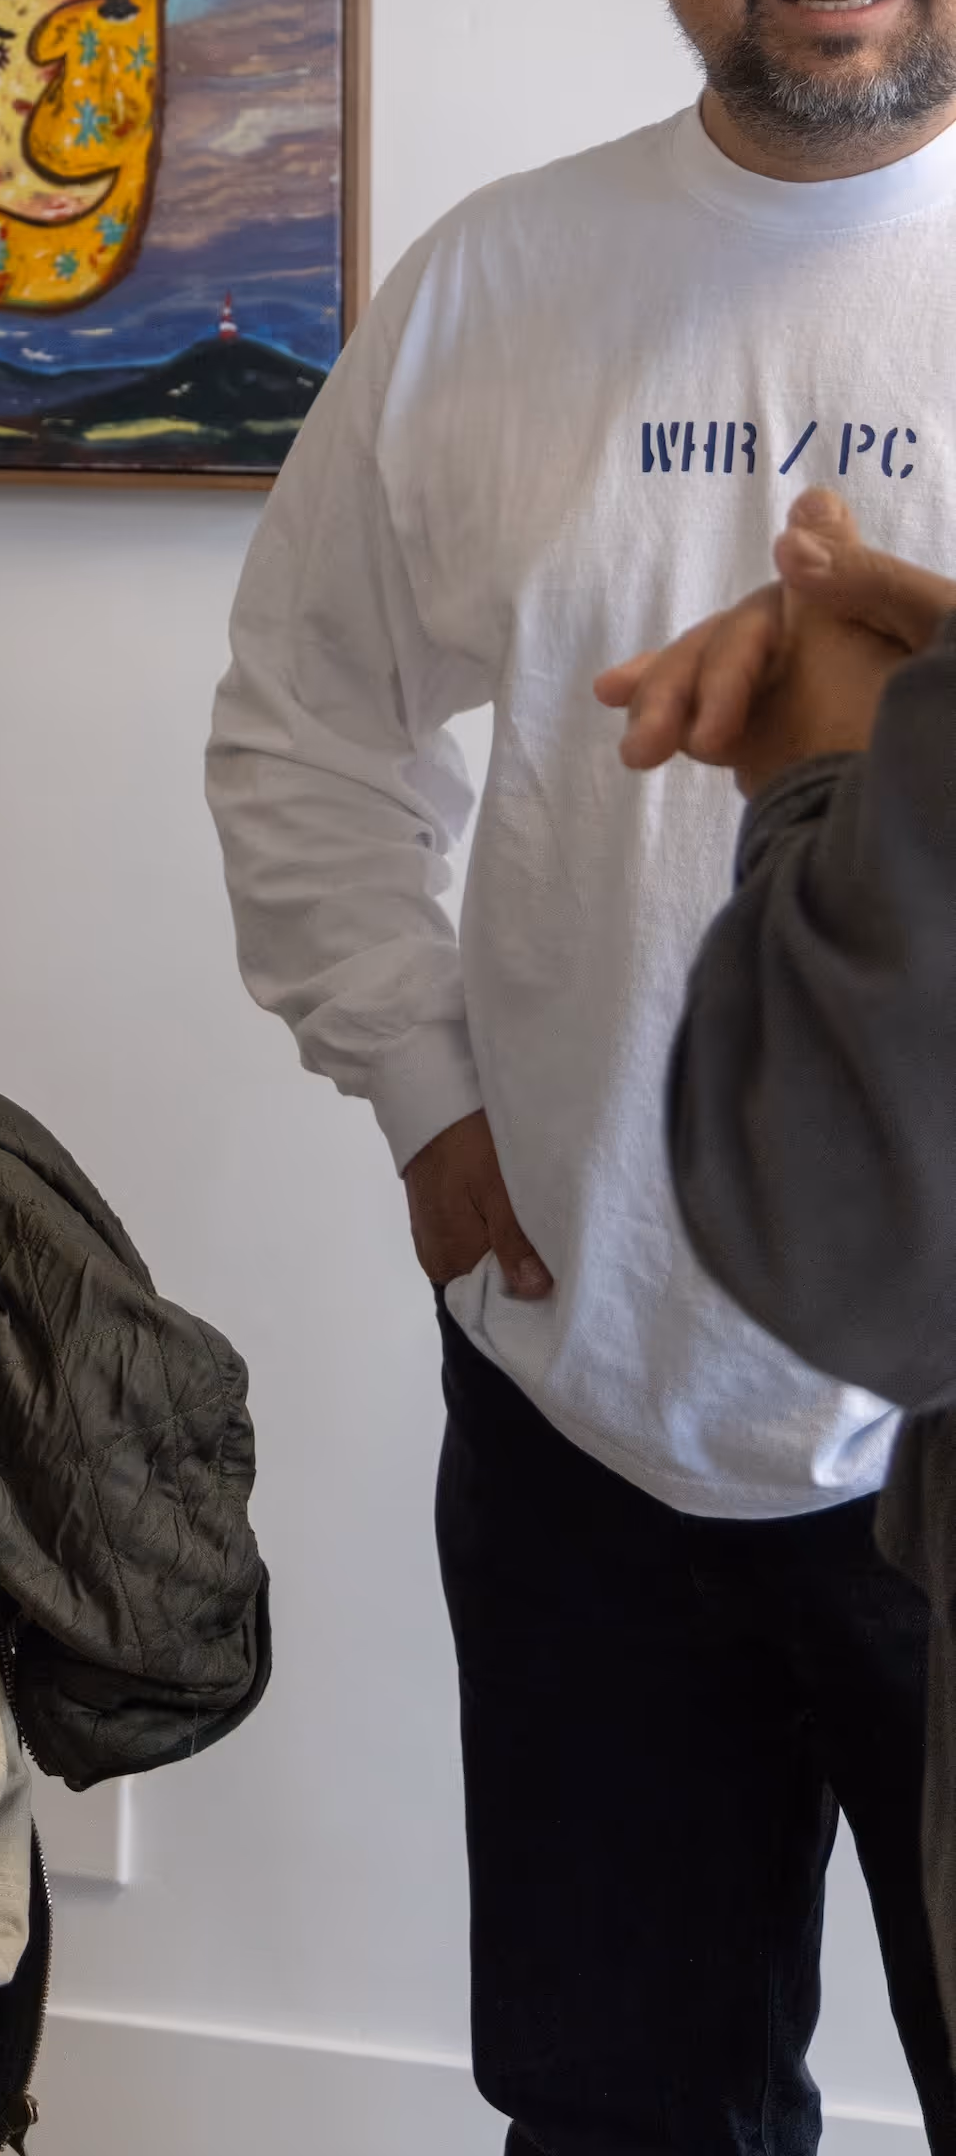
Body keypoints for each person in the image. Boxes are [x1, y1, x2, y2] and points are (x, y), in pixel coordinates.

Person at [206, 0, 956, 2152]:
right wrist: (426, 1096)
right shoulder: (498, 288)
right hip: (588, 1402)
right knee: (628, 2115)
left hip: (949, 1415)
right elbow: (303, 719)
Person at [600, 494, 956, 2028]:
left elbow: (841, 1198)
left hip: (885, 1455)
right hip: (582, 1405)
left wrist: (829, 771)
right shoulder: (477, 292)